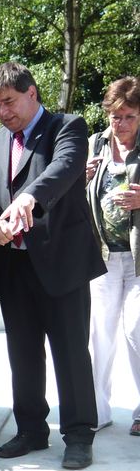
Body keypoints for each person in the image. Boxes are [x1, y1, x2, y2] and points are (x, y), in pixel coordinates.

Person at [0, 61, 106, 470]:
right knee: (22, 353)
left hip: (60, 262)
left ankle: (79, 434)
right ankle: (31, 429)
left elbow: (64, 169)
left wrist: (31, 197)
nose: (3, 112)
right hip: (12, 266)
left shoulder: (67, 126)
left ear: (32, 93)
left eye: (8, 102)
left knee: (70, 352)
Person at [85, 76, 140, 436]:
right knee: (98, 336)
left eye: (129, 116)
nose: (119, 124)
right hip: (101, 255)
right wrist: (80, 177)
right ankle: (97, 411)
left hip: (138, 259)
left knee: (137, 330)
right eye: (114, 116)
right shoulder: (95, 143)